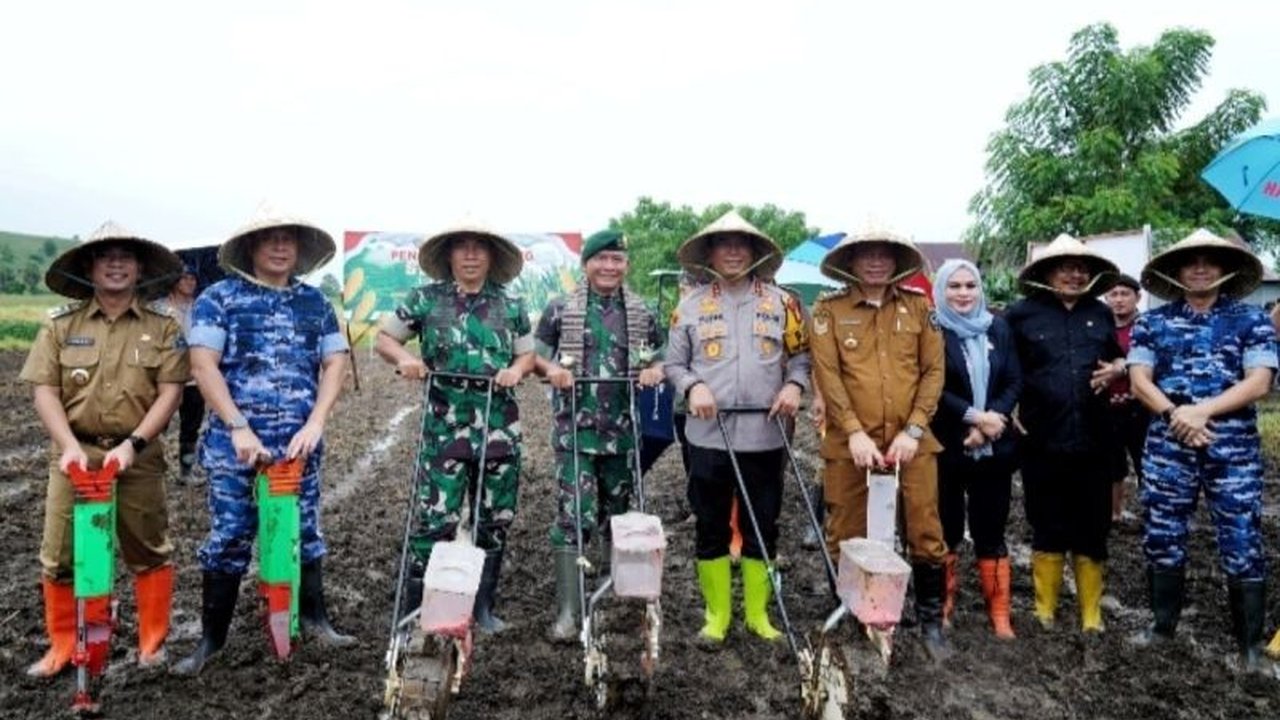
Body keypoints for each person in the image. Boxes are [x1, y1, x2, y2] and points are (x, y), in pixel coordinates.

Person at [175, 206, 353, 675]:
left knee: (306, 531)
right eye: (269, 238)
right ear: (251, 248)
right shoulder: (220, 298)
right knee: (230, 536)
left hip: (300, 445)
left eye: (288, 239)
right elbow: (202, 365)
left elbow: (334, 364)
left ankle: (316, 619)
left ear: (298, 249)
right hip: (236, 448)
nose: (279, 247)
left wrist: (316, 423)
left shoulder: (316, 304)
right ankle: (211, 642)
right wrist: (238, 426)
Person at [21, 221, 186, 676]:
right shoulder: (60, 325)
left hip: (138, 456)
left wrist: (134, 444)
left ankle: (151, 644)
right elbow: (45, 392)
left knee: (149, 548)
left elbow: (170, 392)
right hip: (74, 456)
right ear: (90, 268)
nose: (116, 264)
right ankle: (60, 646)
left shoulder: (164, 328)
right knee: (59, 553)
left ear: (139, 269)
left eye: (125, 257)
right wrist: (69, 446)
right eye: (105, 256)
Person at [1126, 229, 1276, 671]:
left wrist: (1201, 412)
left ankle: (1249, 646)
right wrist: (1179, 417)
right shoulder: (1152, 322)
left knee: (1243, 539)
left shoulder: (1251, 321)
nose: (1200, 269)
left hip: (1233, 451)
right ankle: (1161, 627)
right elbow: (1139, 381)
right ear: (1175, 272)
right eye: (1190, 262)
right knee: (1163, 535)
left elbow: (1260, 382)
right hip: (1168, 449)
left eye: (1209, 261)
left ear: (1225, 269)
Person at [374, 221, 535, 634]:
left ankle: (481, 609)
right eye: (461, 248)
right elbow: (384, 340)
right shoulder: (427, 300)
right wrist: (404, 360)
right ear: (449, 256)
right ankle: (416, 611)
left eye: (478, 248)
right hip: (444, 431)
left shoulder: (511, 305)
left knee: (494, 518)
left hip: (498, 431)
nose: (470, 255)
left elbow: (526, 357)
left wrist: (516, 371)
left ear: (490, 257)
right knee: (435, 520)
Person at [664, 210, 809, 645]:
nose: (732, 251)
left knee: (763, 523)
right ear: (710, 253)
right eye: (723, 244)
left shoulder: (784, 304)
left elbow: (801, 356)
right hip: (708, 435)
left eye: (740, 244)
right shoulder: (689, 306)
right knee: (710, 524)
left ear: (754, 252)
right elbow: (673, 364)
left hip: (764, 434)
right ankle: (717, 616)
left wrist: (795, 386)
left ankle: (759, 615)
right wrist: (693, 387)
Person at [809, 221, 951, 659]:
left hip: (913, 444)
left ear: (896, 262)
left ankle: (930, 621)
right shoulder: (828, 312)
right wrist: (852, 431)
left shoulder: (918, 307)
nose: (875, 262)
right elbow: (829, 376)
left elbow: (933, 371)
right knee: (845, 531)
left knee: (925, 531)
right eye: (866, 254)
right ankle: (851, 613)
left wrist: (913, 430)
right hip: (850, 445)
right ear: (851, 262)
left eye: (884, 254)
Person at [534, 229, 664, 641]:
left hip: (624, 436)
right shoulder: (560, 309)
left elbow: (662, 360)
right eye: (601, 258)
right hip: (575, 435)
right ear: (586, 263)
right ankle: (569, 614)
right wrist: (550, 369)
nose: (609, 267)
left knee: (619, 518)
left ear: (627, 265)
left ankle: (611, 602)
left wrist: (653, 371)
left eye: (617, 259)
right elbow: (533, 355)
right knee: (574, 517)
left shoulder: (642, 312)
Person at [1005, 234, 1125, 636]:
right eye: (1066, 268)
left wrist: (1119, 367)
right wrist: (1009, 408)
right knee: (1047, 522)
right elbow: (1005, 369)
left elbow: (1119, 356)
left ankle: (1092, 614)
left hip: (1095, 436)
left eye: (1081, 269)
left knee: (1094, 527)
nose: (1075, 275)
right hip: (1042, 437)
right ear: (1046, 273)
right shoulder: (1020, 316)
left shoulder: (1101, 314)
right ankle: (1045, 609)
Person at [929, 259, 1021, 640]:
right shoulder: (932, 330)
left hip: (993, 448)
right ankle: (944, 605)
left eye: (970, 286)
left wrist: (991, 420)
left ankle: (999, 613)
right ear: (941, 290)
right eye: (955, 286)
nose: (963, 293)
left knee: (991, 528)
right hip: (947, 446)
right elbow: (931, 386)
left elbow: (1014, 378)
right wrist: (972, 417)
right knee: (947, 528)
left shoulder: (997, 326)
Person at [1104, 274, 1148, 522]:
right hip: (1108, 408)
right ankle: (1114, 513)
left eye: (1125, 294)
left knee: (1147, 463)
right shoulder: (1100, 327)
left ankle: (1152, 513)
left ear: (1137, 297)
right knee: (1112, 466)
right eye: (1113, 294)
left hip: (1141, 408)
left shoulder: (1146, 326)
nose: (1119, 300)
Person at [160, 265, 205, 482]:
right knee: (158, 423)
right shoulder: (160, 308)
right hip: (165, 377)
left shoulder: (201, 308)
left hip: (194, 379)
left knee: (191, 428)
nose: (190, 282)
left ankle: (186, 471)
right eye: (185, 278)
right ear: (175, 281)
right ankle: (151, 468)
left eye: (193, 279)